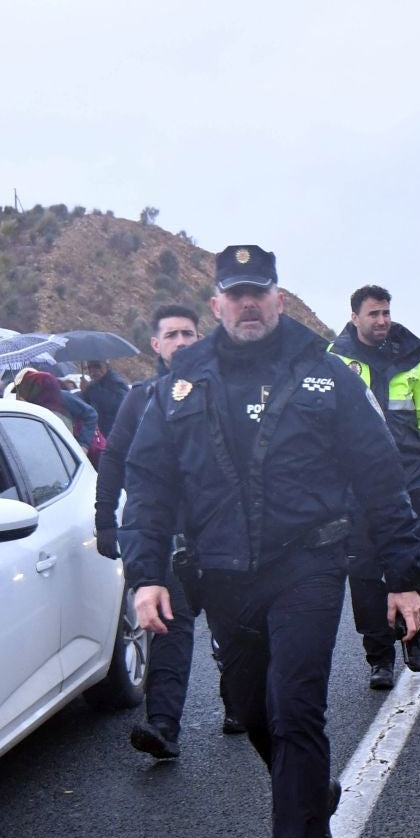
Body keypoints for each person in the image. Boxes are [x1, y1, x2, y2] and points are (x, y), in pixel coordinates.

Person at [122, 243, 420, 838]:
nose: (249, 304)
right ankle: (310, 792)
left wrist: (402, 575)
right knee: (251, 709)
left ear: (279, 300)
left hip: (308, 566)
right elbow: (151, 483)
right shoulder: (180, 385)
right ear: (217, 304)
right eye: (236, 293)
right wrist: (147, 573)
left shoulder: (325, 375)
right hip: (223, 576)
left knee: (294, 708)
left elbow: (381, 476)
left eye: (261, 292)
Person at [98, 304, 238, 759]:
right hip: (172, 542)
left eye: (189, 333)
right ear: (155, 346)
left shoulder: (223, 390)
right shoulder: (141, 398)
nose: (181, 341)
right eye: (171, 335)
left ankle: (240, 706)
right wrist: (106, 520)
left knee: (233, 628)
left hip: (222, 538)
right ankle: (163, 725)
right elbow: (116, 460)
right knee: (169, 631)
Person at [329, 284, 420, 690]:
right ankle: (379, 655)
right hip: (357, 483)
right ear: (355, 317)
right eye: (374, 314)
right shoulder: (334, 363)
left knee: (416, 558)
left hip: (411, 477)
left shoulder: (412, 359)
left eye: (386, 312)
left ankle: (412, 631)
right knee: (365, 568)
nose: (383, 320)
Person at [15, 368, 102, 459]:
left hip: (81, 453)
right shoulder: (32, 405)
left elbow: (91, 414)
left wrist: (83, 445)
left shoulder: (61, 396)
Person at [80, 360, 130, 434]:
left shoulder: (117, 383)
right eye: (89, 368)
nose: (93, 371)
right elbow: (87, 406)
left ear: (107, 366)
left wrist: (90, 391)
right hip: (101, 431)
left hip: (114, 431)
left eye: (97, 366)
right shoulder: (95, 385)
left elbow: (116, 404)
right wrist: (84, 392)